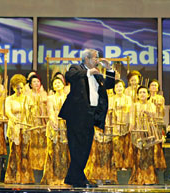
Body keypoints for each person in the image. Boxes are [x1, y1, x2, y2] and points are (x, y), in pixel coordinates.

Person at [58, 48, 115, 188]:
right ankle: (78, 178)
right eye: (95, 58)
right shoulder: (76, 68)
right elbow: (69, 76)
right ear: (87, 59)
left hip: (91, 115)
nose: (97, 60)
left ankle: (73, 177)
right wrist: (89, 72)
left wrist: (110, 69)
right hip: (77, 115)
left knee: (85, 147)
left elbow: (109, 85)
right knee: (77, 147)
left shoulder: (96, 74)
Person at [4, 74, 35, 184]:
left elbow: (32, 111)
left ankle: (25, 177)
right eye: (17, 88)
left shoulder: (27, 98)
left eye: (22, 88)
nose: (20, 90)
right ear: (13, 87)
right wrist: (13, 118)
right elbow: (7, 112)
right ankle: (14, 177)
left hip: (25, 126)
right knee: (15, 151)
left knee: (25, 152)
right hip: (15, 127)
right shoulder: (9, 99)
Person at [41, 77, 70, 185]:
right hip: (54, 126)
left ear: (63, 84)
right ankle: (52, 177)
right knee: (53, 151)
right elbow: (50, 111)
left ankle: (65, 177)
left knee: (65, 152)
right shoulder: (50, 98)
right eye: (55, 83)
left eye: (59, 83)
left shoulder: (68, 97)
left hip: (65, 126)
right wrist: (54, 121)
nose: (57, 85)